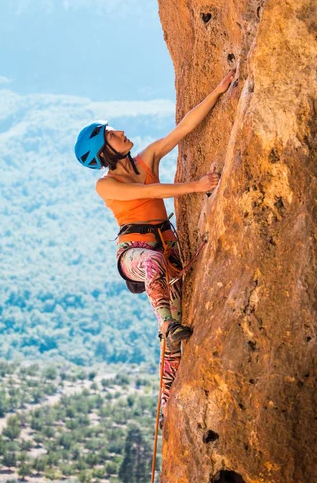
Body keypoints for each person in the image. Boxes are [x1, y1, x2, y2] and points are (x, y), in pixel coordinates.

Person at [74, 68, 236, 417]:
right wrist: (196, 186)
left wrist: (218, 92)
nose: (120, 132)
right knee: (154, 269)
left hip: (166, 250)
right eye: (111, 135)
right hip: (133, 255)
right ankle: (166, 324)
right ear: (105, 153)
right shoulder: (104, 185)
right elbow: (151, 192)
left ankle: (166, 406)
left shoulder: (146, 159)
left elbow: (182, 130)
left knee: (177, 346)